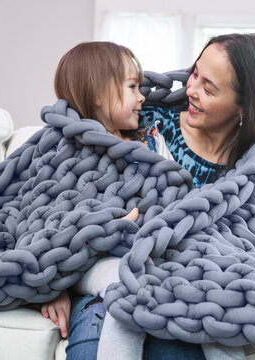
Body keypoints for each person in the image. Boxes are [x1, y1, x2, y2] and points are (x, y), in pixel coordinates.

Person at [49, 33, 255, 359]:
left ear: (243, 107)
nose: (190, 89)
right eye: (194, 74)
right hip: (119, 268)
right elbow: (55, 200)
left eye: (209, 88)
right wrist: (48, 283)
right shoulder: (139, 126)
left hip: (188, 280)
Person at [39, 41, 174, 358]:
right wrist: (51, 285)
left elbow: (174, 195)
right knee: (121, 279)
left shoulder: (150, 144)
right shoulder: (66, 148)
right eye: (131, 87)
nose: (142, 97)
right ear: (98, 93)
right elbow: (46, 221)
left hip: (147, 255)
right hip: (91, 263)